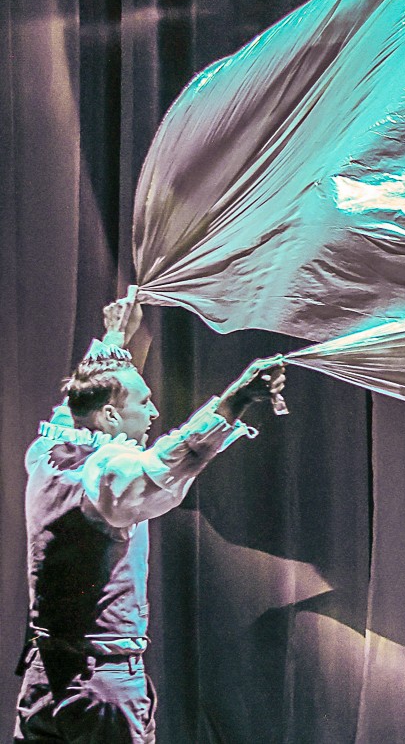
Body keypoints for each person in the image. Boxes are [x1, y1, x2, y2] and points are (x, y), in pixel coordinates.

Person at [13, 296, 285, 744]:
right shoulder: (106, 472)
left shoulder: (47, 452)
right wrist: (234, 400)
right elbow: (164, 466)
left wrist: (115, 337)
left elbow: (77, 404)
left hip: (44, 679)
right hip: (99, 687)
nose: (154, 413)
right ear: (111, 416)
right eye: (145, 402)